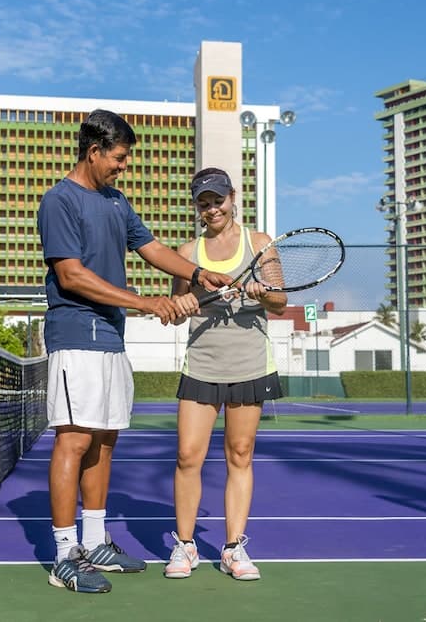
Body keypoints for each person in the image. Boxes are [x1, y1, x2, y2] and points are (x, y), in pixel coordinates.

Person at [37, 110, 232, 594]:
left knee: (104, 440)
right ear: (94, 151)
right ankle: (65, 555)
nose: (124, 166)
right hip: (75, 334)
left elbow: (152, 248)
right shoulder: (60, 200)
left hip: (111, 337)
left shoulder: (116, 201)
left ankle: (94, 541)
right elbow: (71, 275)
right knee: (74, 441)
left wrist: (198, 273)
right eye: (119, 158)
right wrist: (146, 302)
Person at [164, 167, 287, 582]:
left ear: (233, 197)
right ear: (197, 207)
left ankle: (233, 548)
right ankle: (185, 545)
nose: (212, 208)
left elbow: (280, 302)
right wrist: (182, 305)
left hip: (250, 364)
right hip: (202, 365)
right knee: (188, 456)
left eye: (218, 200)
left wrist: (261, 292)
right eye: (204, 202)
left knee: (240, 454)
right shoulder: (186, 252)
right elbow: (176, 311)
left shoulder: (260, 244)